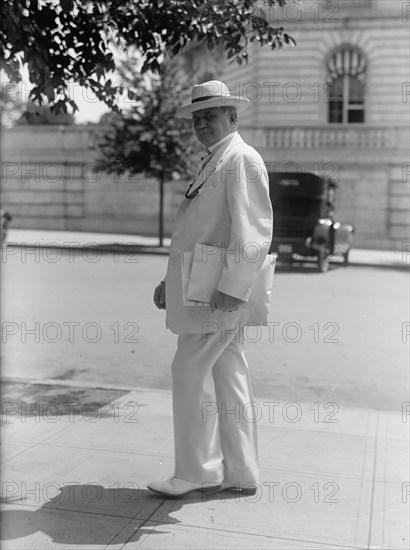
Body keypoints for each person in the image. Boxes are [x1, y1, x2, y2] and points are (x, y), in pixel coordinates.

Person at [147, 80, 275, 498]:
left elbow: (254, 230)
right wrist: (169, 282)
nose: (202, 124)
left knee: (188, 371)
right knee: (229, 376)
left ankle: (198, 471)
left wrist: (235, 288)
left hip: (215, 294)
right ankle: (241, 471)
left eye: (211, 116)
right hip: (205, 287)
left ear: (232, 118)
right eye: (197, 118)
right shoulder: (217, 159)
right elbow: (198, 230)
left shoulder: (241, 159)